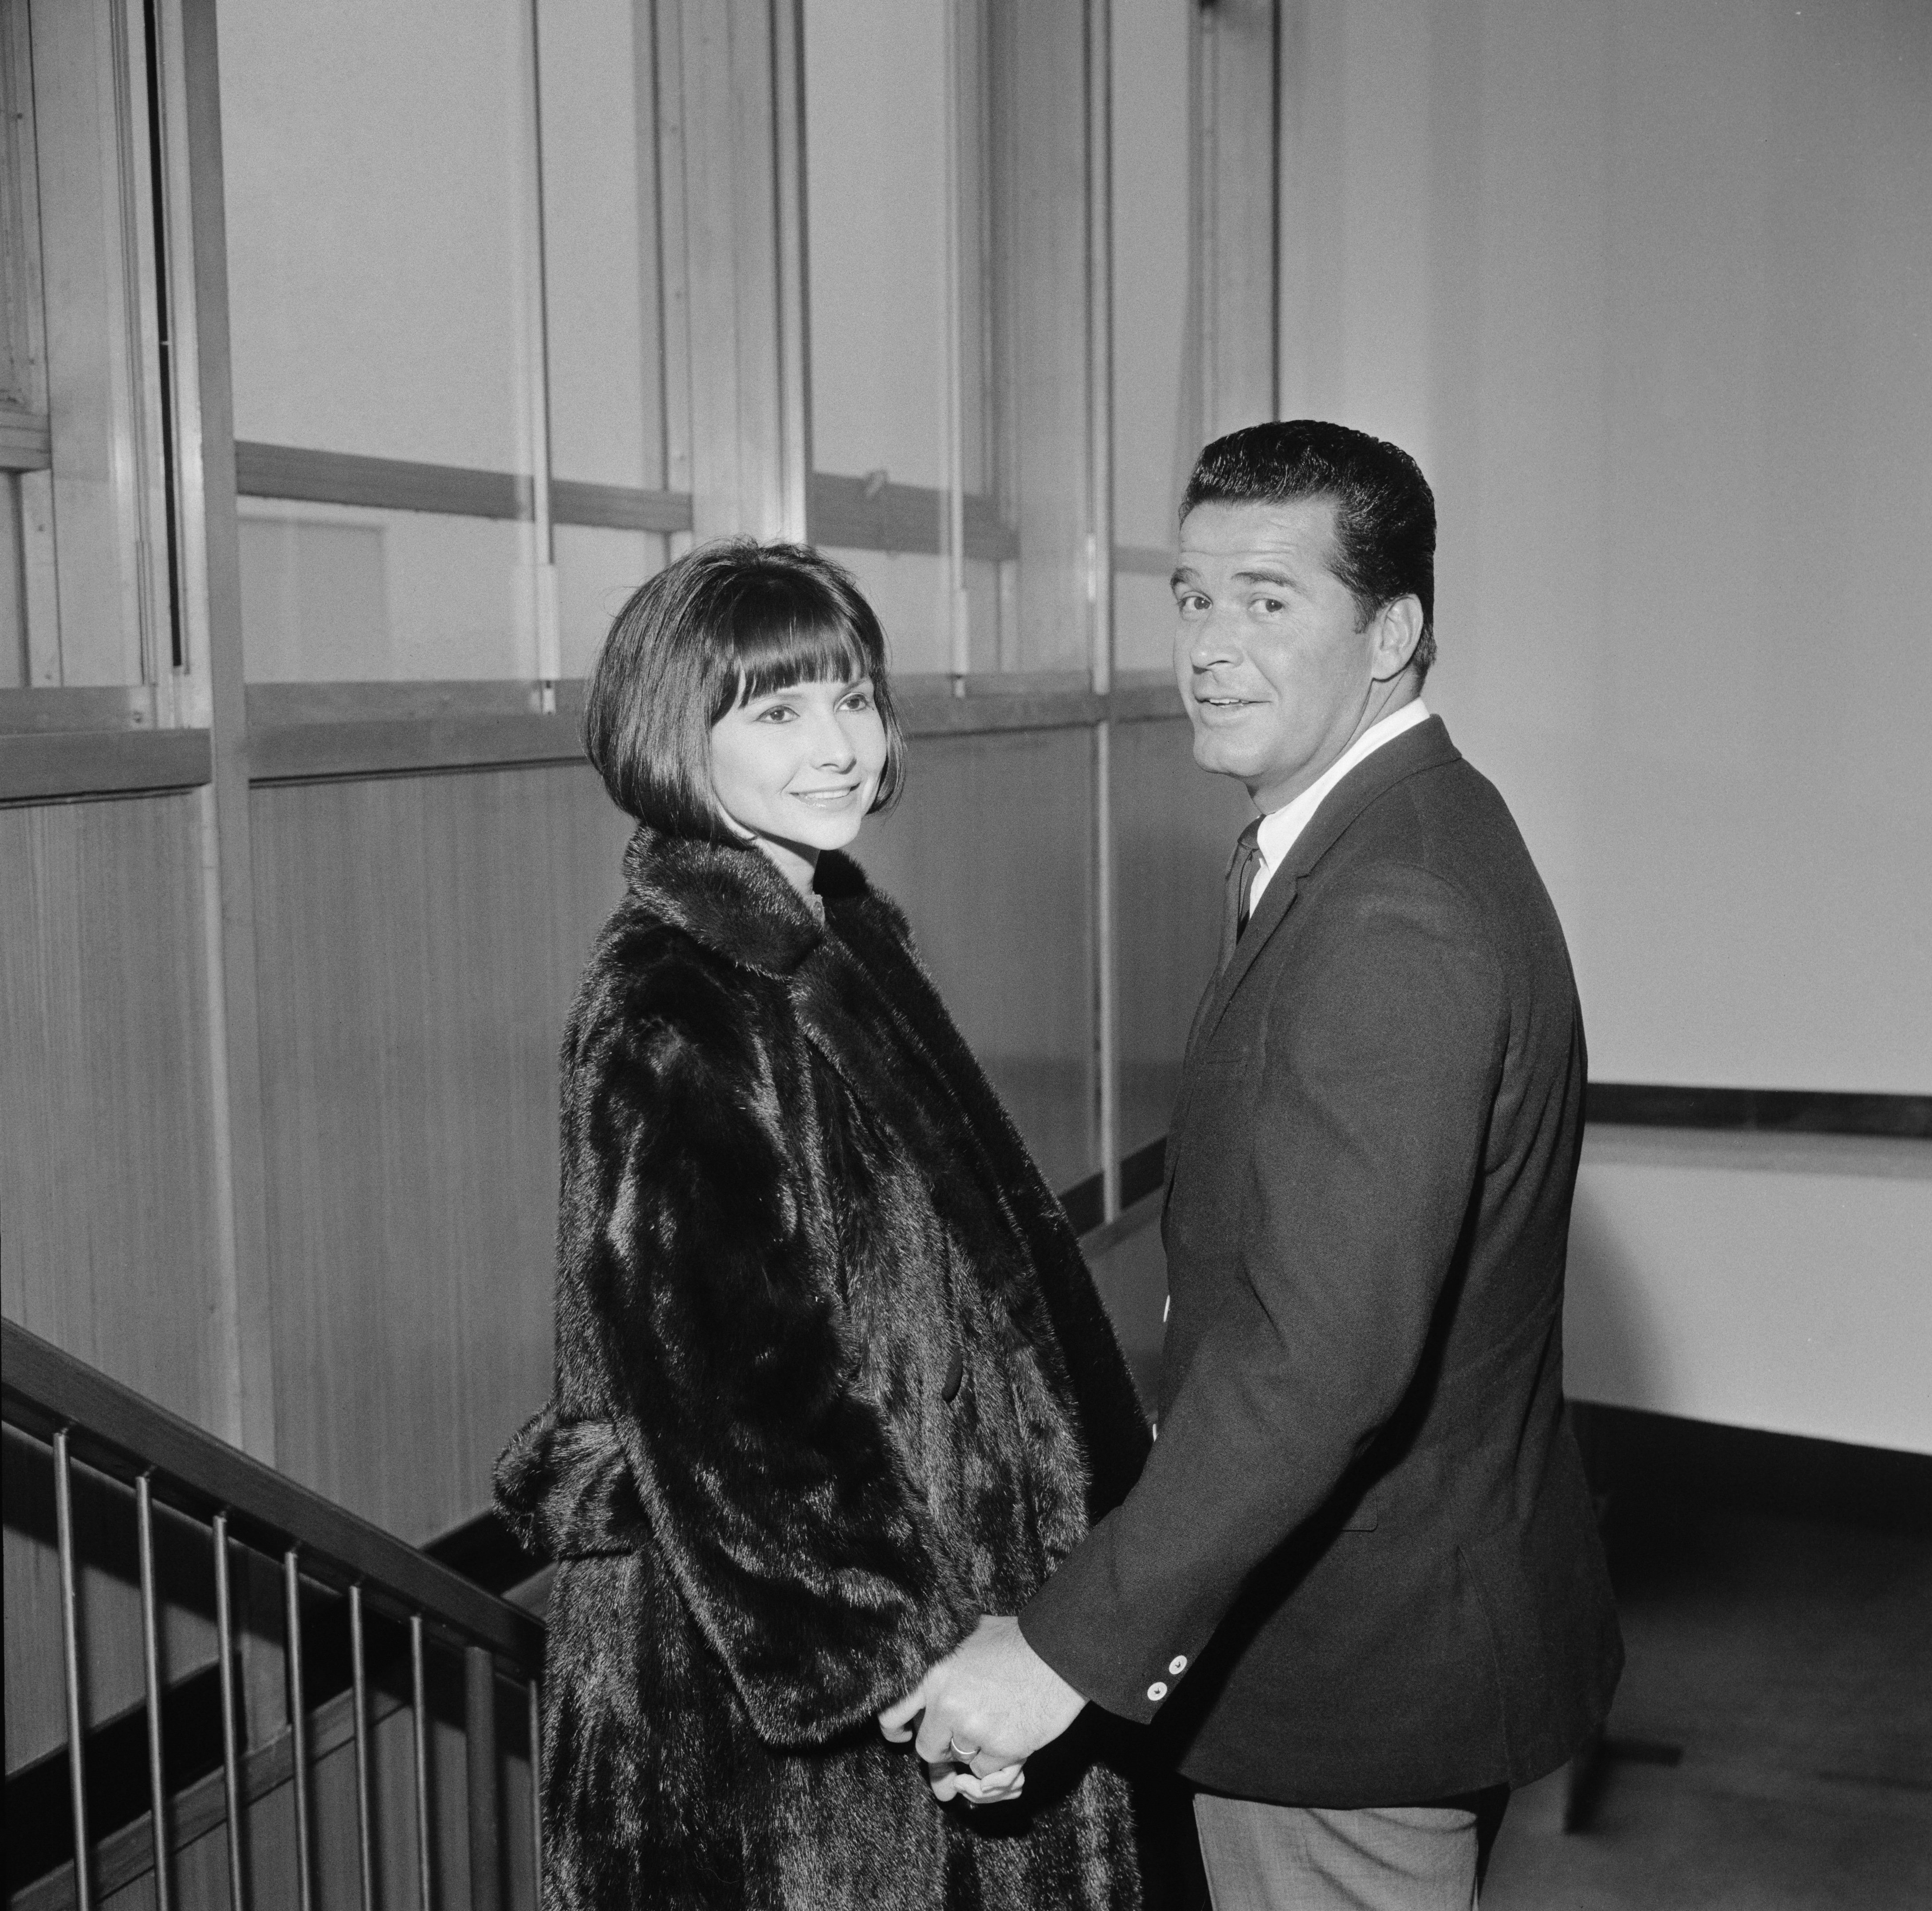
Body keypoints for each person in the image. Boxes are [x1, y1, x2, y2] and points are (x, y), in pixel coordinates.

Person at [885, 422, 1624, 1909]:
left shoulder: (1389, 909)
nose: (1211, 646)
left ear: (1392, 631)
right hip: (1386, 1623)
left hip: (1354, 1673)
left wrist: (1058, 1646)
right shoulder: (1381, 834)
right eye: (1192, 596)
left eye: (1268, 601)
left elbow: (1318, 1363)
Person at [493, 539, 1155, 1910]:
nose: (838, 744)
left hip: (949, 1600)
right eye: (778, 710)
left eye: (851, 697)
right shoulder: (674, 1000)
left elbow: (1004, 1273)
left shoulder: (840, 942)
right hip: (765, 1707)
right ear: (677, 735)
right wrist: (919, 1668)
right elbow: (739, 1399)